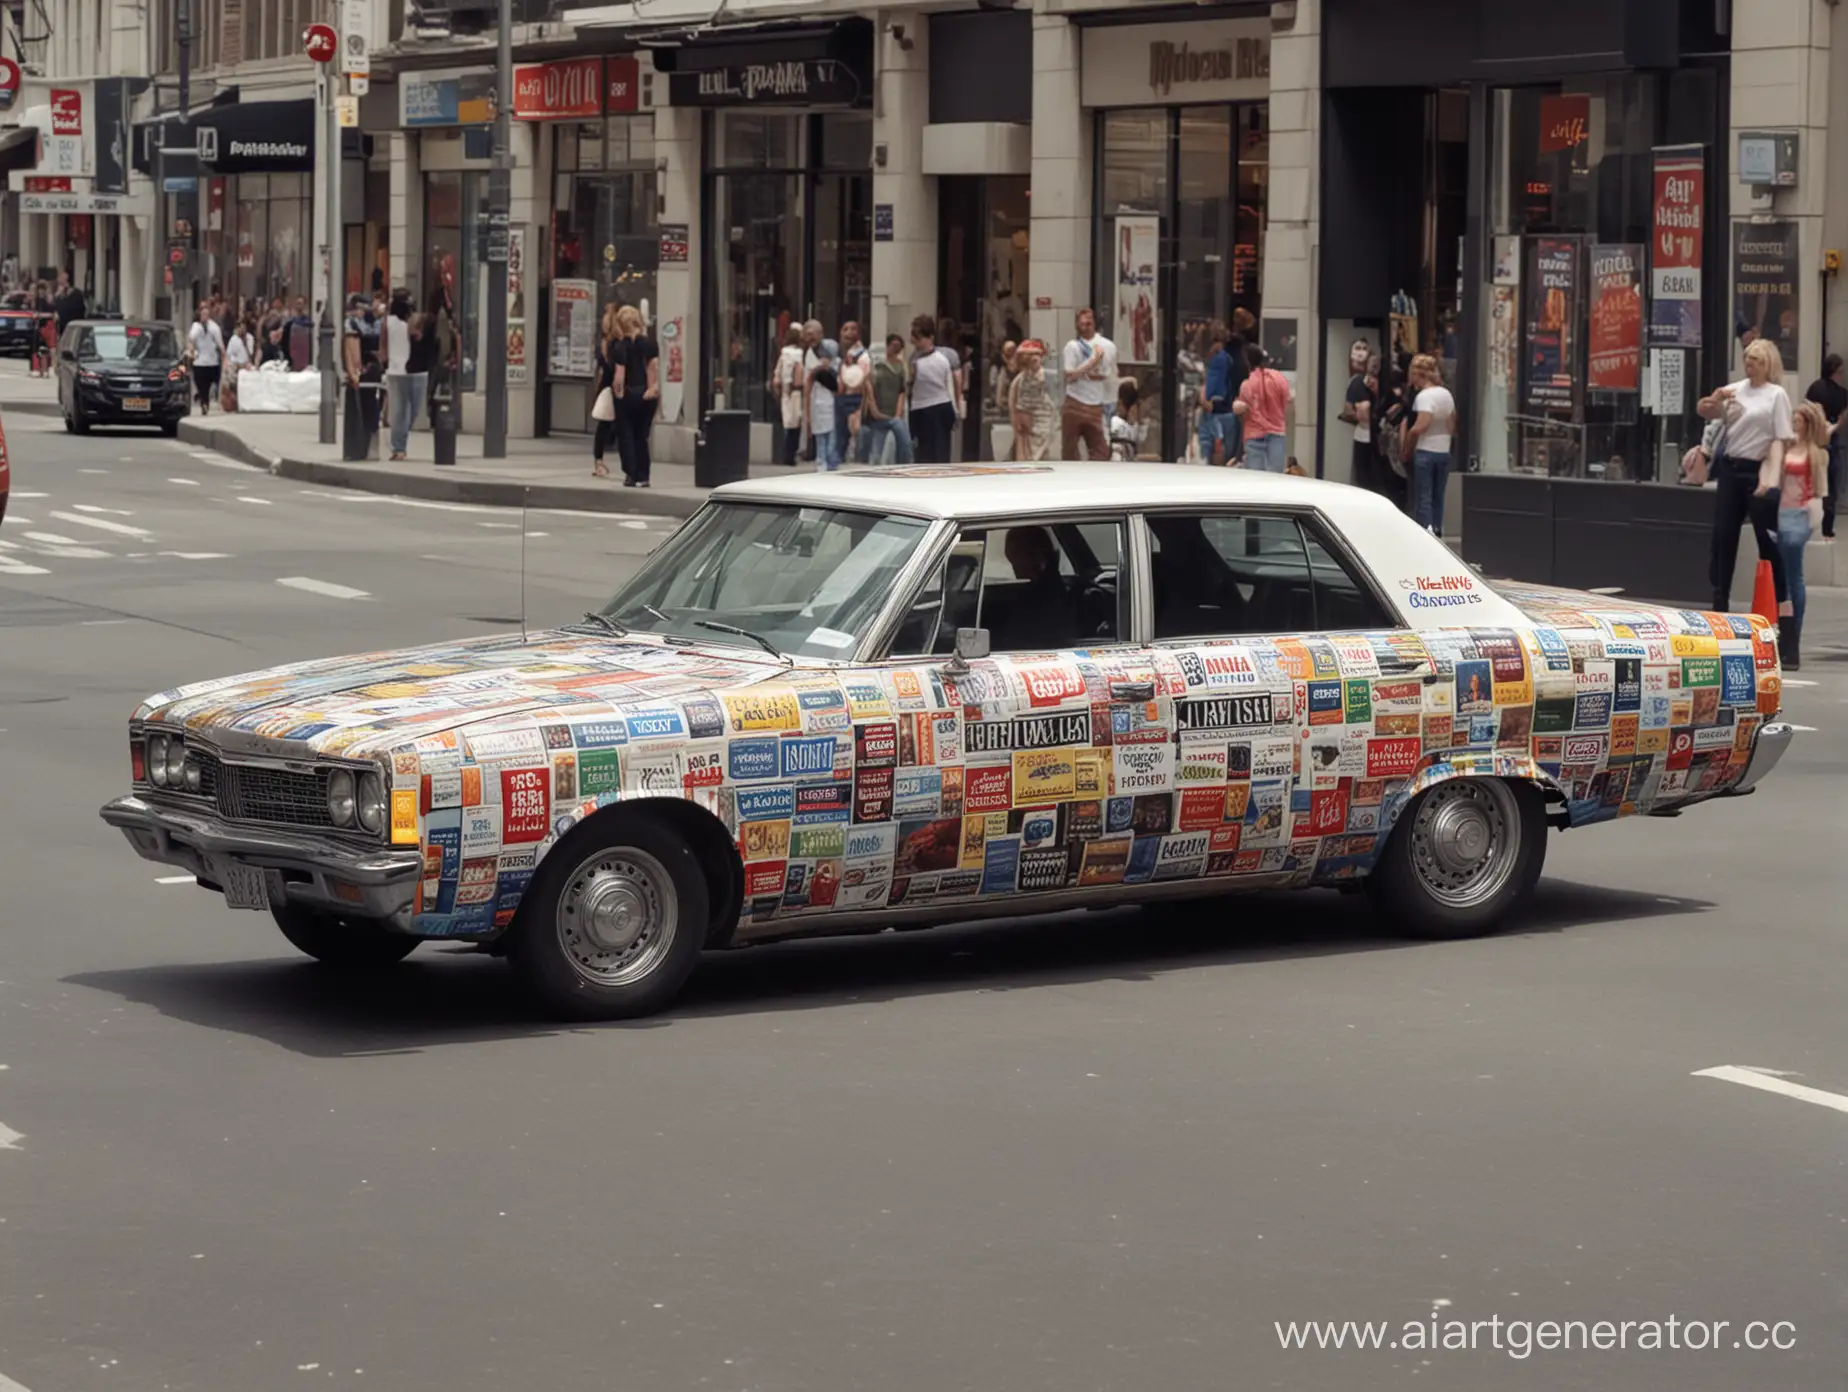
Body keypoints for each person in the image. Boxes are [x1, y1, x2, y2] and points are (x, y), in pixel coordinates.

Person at [1697, 338, 1793, 617]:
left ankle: (1779, 603)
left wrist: (1771, 478)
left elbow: (1781, 440)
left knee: (1768, 541)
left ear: (1768, 365)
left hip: (1758, 470)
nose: (1750, 364)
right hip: (1731, 469)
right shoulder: (1735, 390)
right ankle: (1719, 600)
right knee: (1723, 537)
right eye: (1747, 359)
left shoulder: (1776, 395)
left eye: (1756, 360)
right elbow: (1709, 414)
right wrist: (1713, 401)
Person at [1776, 401, 1831, 668]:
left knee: (1792, 577)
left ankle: (1792, 637)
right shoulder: (1786, 447)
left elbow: (1820, 488)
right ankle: (1786, 636)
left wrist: (1814, 518)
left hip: (1799, 513)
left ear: (1807, 425)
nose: (1794, 425)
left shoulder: (1815, 453)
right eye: (1793, 420)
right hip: (1782, 511)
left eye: (1798, 421)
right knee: (1784, 577)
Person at [990, 526, 1074, 651]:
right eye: (1011, 557)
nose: (1014, 565)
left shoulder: (1044, 599)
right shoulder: (1041, 591)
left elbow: (1021, 639)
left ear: (1037, 556)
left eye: (1017, 556)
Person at [1401, 354, 1456, 533]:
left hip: (1426, 450)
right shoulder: (1446, 395)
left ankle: (1425, 531)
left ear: (1418, 375)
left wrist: (1407, 446)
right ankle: (1438, 529)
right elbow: (1452, 424)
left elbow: (1420, 426)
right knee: (1438, 495)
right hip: (1444, 449)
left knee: (1423, 496)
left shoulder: (1424, 397)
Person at [1059, 307, 1115, 461]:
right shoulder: (1072, 346)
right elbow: (1070, 375)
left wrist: (1084, 373)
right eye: (1082, 322)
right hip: (1074, 402)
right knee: (1069, 451)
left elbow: (1106, 375)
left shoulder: (1108, 346)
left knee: (1101, 451)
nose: (1086, 324)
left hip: (1095, 405)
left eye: (1089, 321)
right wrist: (1092, 362)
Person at [613, 304, 660, 488]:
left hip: (628, 394)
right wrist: (651, 389)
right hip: (646, 395)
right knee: (642, 436)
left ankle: (630, 474)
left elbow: (619, 376)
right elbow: (653, 368)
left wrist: (618, 394)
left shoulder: (620, 346)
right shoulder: (649, 343)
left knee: (626, 436)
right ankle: (644, 475)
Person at [1233, 342, 1292, 473]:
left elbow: (1243, 414)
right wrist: (1282, 425)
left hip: (1254, 435)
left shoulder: (1247, 385)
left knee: (1255, 480)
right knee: (1275, 479)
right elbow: (1288, 405)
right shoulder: (1279, 379)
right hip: (1277, 434)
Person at [1804, 352, 1845, 541]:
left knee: (1810, 483)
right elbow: (1842, 419)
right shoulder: (1842, 394)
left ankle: (1807, 524)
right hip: (1831, 441)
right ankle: (1827, 529)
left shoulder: (1814, 388)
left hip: (1812, 440)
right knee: (1831, 487)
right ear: (1835, 372)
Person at [856, 333, 913, 465]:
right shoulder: (877, 365)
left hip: (893, 413)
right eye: (893, 345)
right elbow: (868, 388)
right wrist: (873, 409)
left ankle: (905, 462)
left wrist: (898, 413)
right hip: (878, 412)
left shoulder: (901, 366)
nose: (896, 349)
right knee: (877, 449)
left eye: (899, 346)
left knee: (897, 442)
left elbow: (901, 390)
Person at [908, 316, 959, 464]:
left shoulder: (941, 359)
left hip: (940, 407)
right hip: (919, 408)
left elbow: (949, 384)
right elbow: (911, 388)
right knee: (922, 454)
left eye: (919, 338)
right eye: (914, 337)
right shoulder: (913, 359)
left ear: (930, 338)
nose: (915, 342)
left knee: (940, 454)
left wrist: (955, 410)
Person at [384, 290, 426, 461]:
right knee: (401, 411)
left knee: (413, 410)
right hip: (397, 370)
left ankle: (401, 441)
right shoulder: (388, 322)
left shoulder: (414, 320)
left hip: (415, 370)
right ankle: (398, 447)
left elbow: (419, 338)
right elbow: (383, 344)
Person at [342, 292, 384, 449]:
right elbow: (351, 350)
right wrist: (354, 373)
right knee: (367, 405)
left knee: (371, 405)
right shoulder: (353, 323)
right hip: (367, 370)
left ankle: (367, 440)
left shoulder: (376, 323)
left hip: (373, 368)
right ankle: (365, 441)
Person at [1008, 339, 1059, 462]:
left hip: (1045, 427)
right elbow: (1014, 405)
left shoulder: (1050, 377)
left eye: (1037, 354)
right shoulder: (1019, 380)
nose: (1034, 358)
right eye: (1030, 355)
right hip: (1027, 429)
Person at [1199, 324, 1241, 466]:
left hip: (1217, 410)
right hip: (1221, 410)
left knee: (1213, 451)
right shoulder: (1224, 359)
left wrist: (1209, 401)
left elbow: (1218, 385)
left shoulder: (1219, 360)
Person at [590, 302, 623, 478]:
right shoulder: (618, 345)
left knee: (603, 426)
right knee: (616, 425)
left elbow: (602, 370)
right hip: (615, 388)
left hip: (605, 387)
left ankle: (599, 461)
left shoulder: (604, 344)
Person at [805, 338, 842, 472]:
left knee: (832, 437)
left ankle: (832, 462)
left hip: (832, 406)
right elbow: (809, 385)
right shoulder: (815, 369)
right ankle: (821, 462)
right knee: (820, 437)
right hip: (818, 406)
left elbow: (839, 387)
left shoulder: (837, 366)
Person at [834, 320, 867, 466]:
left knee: (852, 434)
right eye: (845, 329)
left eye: (853, 329)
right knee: (842, 436)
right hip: (843, 397)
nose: (849, 332)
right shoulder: (841, 354)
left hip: (854, 398)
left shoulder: (860, 354)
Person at [774, 326, 806, 467]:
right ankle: (791, 454)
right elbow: (800, 371)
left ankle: (785, 454)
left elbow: (777, 372)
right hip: (796, 390)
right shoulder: (799, 353)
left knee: (787, 423)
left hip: (785, 391)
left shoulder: (783, 353)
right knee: (796, 423)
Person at [187, 302, 224, 416]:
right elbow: (191, 339)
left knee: (210, 384)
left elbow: (220, 343)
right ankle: (204, 403)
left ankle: (205, 399)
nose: (204, 317)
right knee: (201, 384)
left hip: (212, 361)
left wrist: (224, 355)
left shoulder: (214, 327)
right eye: (202, 314)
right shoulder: (196, 327)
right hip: (200, 362)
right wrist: (191, 351)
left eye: (206, 314)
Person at [222, 316, 255, 412]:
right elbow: (230, 355)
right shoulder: (234, 340)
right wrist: (235, 364)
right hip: (236, 365)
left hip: (246, 364)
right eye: (240, 327)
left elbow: (251, 353)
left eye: (243, 327)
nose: (242, 329)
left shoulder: (250, 338)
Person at [1109, 380, 1147, 461]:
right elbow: (1119, 446)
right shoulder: (1115, 421)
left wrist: (1137, 423)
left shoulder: (1135, 425)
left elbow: (1141, 439)